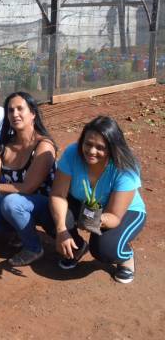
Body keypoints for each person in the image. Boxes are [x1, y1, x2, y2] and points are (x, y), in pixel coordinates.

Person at [0, 92, 57, 266]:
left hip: (46, 206)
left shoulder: (43, 146)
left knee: (11, 203)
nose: (15, 114)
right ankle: (19, 232)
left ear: (33, 113)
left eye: (20, 109)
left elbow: (27, 187)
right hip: (17, 203)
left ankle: (34, 247)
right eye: (10, 110)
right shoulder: (4, 146)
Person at [49, 116, 146, 283]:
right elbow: (58, 194)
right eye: (88, 144)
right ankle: (76, 248)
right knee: (53, 212)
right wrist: (61, 230)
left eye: (100, 147)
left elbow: (114, 217)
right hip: (86, 205)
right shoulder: (72, 153)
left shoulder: (125, 167)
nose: (92, 151)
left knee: (104, 249)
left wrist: (93, 220)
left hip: (123, 211)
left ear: (112, 148)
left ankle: (125, 257)